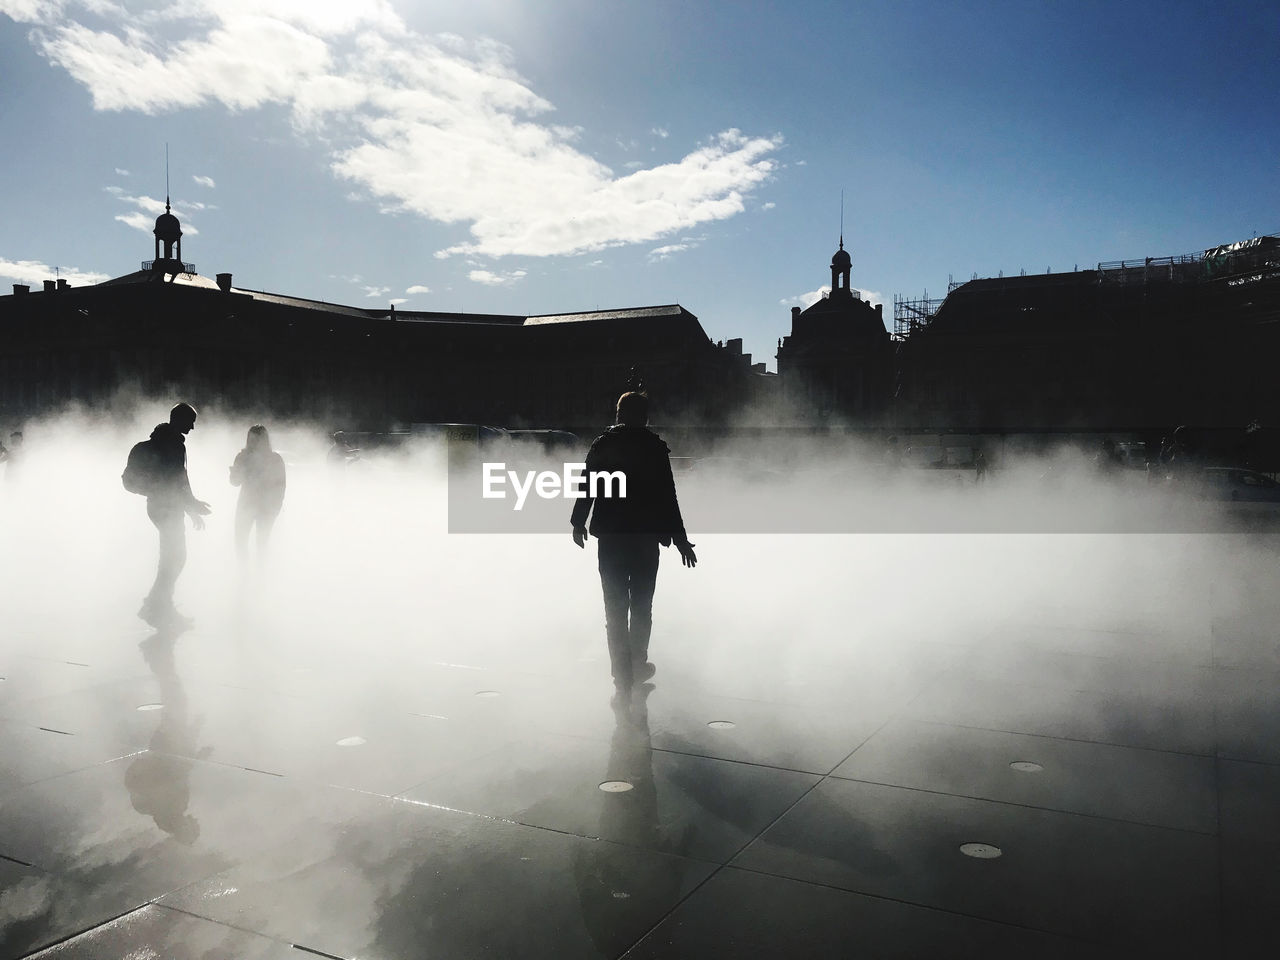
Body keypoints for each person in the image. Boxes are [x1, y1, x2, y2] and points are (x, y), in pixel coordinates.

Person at [571, 391, 696, 695]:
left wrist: (578, 522)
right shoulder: (653, 448)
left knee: (614, 607)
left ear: (619, 414)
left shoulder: (603, 445)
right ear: (644, 416)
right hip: (644, 539)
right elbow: (668, 497)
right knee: (641, 606)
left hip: (611, 538)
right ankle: (638, 663)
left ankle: (620, 670)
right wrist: (681, 541)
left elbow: (588, 486)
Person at [137, 403, 211, 628]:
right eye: (191, 422)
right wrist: (193, 506)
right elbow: (179, 480)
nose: (192, 428)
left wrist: (190, 509)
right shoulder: (174, 445)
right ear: (178, 419)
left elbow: (176, 481)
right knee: (175, 558)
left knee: (172, 558)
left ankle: (158, 605)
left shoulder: (162, 440)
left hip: (159, 505)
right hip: (168, 506)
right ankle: (156, 607)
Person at [229, 424, 286, 562]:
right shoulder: (242, 456)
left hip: (266, 507)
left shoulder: (275, 459)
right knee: (240, 541)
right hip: (246, 504)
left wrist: (276, 507)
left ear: (264, 440)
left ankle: (261, 576)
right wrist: (235, 474)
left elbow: (281, 485)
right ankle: (244, 573)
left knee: (262, 544)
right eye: (251, 439)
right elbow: (234, 482)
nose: (253, 443)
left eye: (257, 440)